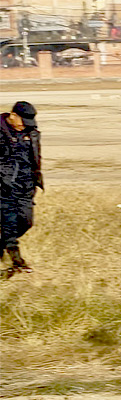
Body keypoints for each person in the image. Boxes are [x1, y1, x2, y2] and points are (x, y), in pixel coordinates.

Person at [0, 101, 42, 277]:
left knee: (26, 222)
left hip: (26, 185)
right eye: (22, 121)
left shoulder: (31, 132)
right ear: (13, 115)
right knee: (9, 223)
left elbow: (36, 157)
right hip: (5, 186)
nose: (24, 125)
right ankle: (16, 261)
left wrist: (36, 180)